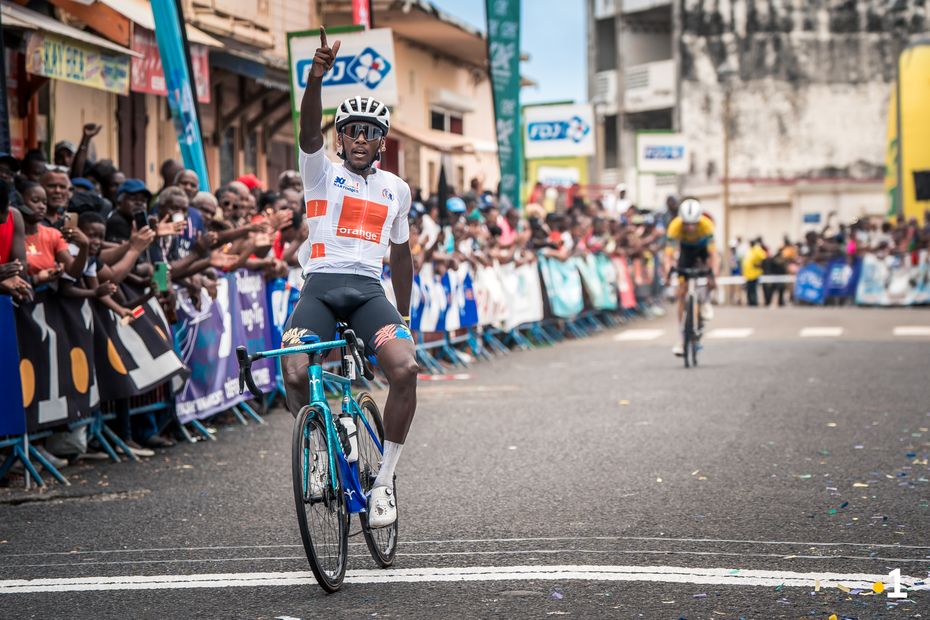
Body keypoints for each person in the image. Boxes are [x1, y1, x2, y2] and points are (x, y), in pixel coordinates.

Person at [283, 28, 417, 529]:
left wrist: (403, 315)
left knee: (404, 369)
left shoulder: (396, 190)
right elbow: (306, 130)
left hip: (367, 292)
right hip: (319, 287)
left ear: (382, 141)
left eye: (371, 132)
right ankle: (318, 453)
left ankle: (383, 483)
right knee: (295, 373)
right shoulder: (318, 171)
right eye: (352, 130)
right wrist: (316, 77)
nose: (361, 138)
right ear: (341, 137)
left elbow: (401, 258)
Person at [666, 198, 717, 356]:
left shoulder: (706, 225)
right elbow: (668, 256)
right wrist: (668, 273)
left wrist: (712, 275)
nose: (689, 227)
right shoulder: (675, 226)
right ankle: (682, 337)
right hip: (686, 253)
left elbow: (713, 255)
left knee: (709, 275)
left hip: (702, 252)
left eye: (693, 223)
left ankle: (705, 301)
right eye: (686, 223)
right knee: (682, 293)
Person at [741, 237, 766, 307]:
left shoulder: (757, 249)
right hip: (748, 274)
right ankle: (750, 302)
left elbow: (763, 258)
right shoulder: (750, 250)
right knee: (749, 290)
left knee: (753, 290)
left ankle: (754, 302)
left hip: (755, 274)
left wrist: (758, 264)